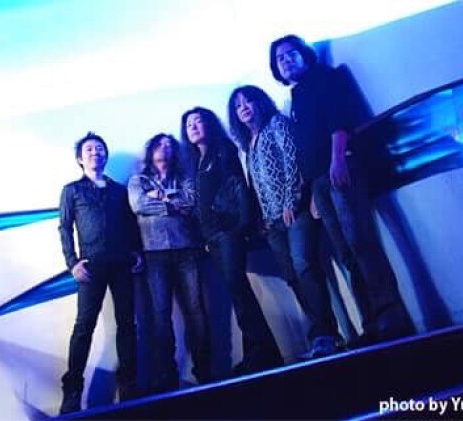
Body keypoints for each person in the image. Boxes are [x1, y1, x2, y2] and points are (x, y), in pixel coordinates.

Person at [269, 34, 415, 343]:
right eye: (279, 58)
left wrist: (338, 159)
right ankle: (371, 323)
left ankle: (391, 316)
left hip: (340, 168)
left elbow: (339, 122)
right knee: (345, 251)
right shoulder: (295, 96)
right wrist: (312, 192)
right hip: (319, 181)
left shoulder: (325, 77)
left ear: (304, 54)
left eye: (291, 54)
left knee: (361, 242)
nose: (286, 61)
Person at [228, 85, 344, 358]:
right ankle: (322, 336)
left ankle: (326, 336)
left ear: (259, 102)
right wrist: (262, 219)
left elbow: (293, 160)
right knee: (293, 277)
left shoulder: (277, 123)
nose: (243, 108)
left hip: (295, 212)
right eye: (237, 106)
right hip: (272, 224)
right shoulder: (248, 144)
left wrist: (291, 200)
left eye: (247, 101)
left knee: (305, 267)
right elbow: (257, 185)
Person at [180, 107, 284, 375]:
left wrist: (241, 225)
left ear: (209, 124)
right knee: (236, 289)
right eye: (189, 124)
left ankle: (264, 352)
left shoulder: (222, 149)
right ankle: (257, 353)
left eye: (198, 121)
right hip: (211, 236)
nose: (193, 127)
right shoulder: (196, 161)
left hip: (228, 231)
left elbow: (237, 187)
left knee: (238, 288)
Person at [58, 132, 143, 414]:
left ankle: (128, 384)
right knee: (84, 328)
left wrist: (136, 252)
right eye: (89, 149)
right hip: (90, 267)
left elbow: (130, 225)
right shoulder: (71, 190)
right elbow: (64, 228)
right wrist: (72, 263)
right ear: (80, 159)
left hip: (122, 264)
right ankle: (72, 392)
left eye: (99, 148)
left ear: (105, 155)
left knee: (127, 325)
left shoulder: (119, 190)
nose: (95, 152)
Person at [128, 134, 210, 392]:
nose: (164, 148)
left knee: (196, 309)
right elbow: (138, 205)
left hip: (187, 249)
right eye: (159, 144)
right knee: (160, 313)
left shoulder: (184, 176)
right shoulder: (138, 180)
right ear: (150, 150)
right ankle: (166, 374)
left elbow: (191, 201)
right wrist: (171, 204)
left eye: (168, 144)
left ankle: (204, 369)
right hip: (154, 253)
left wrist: (160, 197)